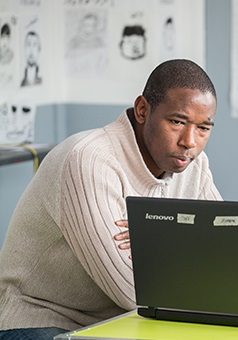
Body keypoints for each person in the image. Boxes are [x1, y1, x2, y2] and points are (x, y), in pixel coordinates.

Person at [0, 59, 222, 340]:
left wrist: (153, 239)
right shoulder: (89, 159)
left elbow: (221, 256)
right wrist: (182, 239)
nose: (190, 141)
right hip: (41, 318)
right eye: (177, 121)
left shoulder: (195, 164)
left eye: (203, 128)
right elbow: (133, 292)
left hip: (122, 322)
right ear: (142, 110)